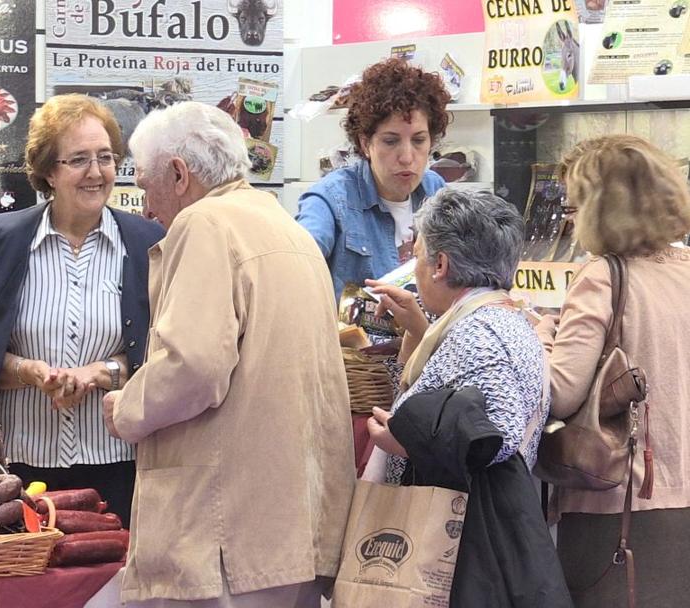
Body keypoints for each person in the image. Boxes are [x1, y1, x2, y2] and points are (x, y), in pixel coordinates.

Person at [101, 101, 355, 607]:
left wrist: (126, 408)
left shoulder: (205, 224)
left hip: (222, 534)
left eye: (146, 185)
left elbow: (193, 368)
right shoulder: (290, 231)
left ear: (178, 174)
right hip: (290, 524)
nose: (147, 209)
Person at [0, 94, 165, 525]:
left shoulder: (148, 241)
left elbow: (167, 354)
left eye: (105, 157)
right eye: (78, 159)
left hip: (120, 464)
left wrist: (100, 373)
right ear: (47, 172)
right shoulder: (0, 238)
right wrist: (29, 372)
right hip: (16, 468)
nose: (96, 173)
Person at [363, 188, 570, 606]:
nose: (416, 268)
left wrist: (404, 440)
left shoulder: (481, 333)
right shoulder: (498, 319)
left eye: (419, 256)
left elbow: (498, 435)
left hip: (461, 545)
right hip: (466, 538)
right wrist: (418, 333)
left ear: (440, 265)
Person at [535, 135, 690, 607]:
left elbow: (559, 393)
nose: (570, 216)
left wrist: (541, 334)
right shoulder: (685, 268)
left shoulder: (602, 276)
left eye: (577, 203)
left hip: (616, 502)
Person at [296, 57, 451, 300]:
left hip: (424, 336)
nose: (407, 157)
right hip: (353, 338)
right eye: (391, 141)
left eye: (419, 140)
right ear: (365, 143)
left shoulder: (437, 191)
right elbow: (295, 263)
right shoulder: (330, 199)